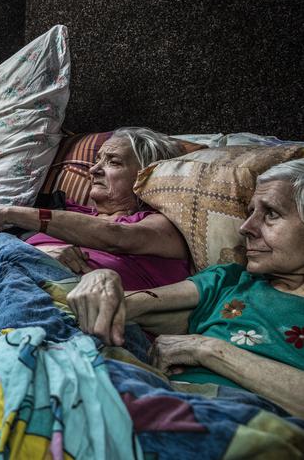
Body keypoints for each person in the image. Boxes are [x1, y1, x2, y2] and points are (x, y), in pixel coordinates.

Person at [66, 159, 304, 418]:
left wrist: (206, 350)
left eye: (271, 213)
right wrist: (101, 278)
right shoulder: (232, 280)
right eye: (250, 213)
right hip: (165, 400)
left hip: (247, 422)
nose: (245, 228)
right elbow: (122, 306)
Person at [0, 127, 193, 290]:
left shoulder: (161, 225)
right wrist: (45, 255)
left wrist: (8, 212)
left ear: (148, 176)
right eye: (97, 160)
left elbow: (116, 236)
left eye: (113, 162)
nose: (93, 169)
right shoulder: (72, 213)